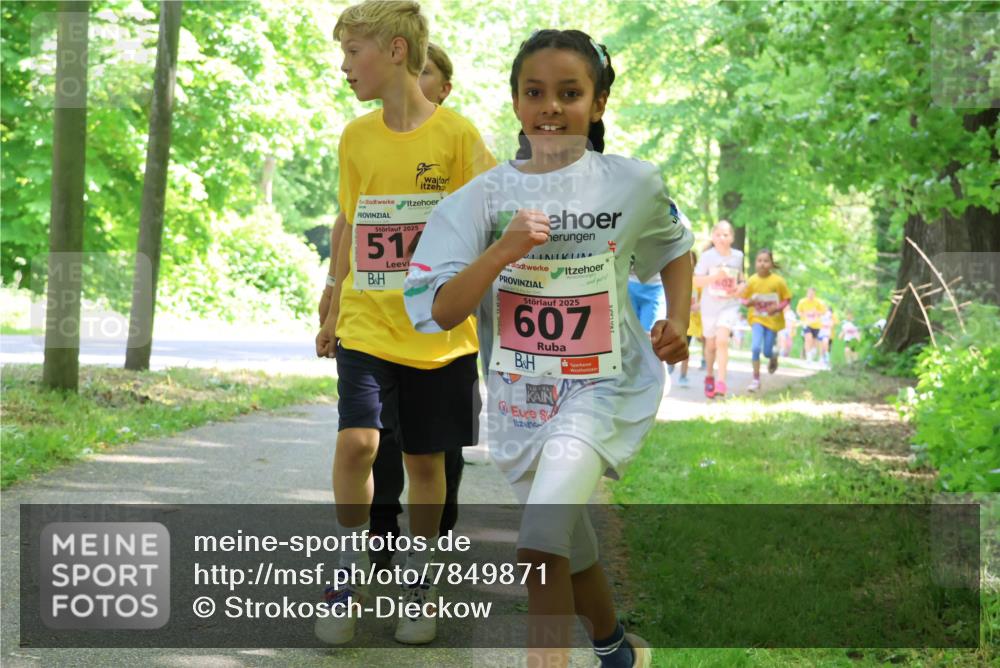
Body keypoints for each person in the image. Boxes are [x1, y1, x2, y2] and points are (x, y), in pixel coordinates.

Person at [405, 29, 692, 668]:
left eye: (570, 93)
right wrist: (504, 249)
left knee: (538, 544)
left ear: (599, 102)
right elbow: (440, 308)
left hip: (602, 388)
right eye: (535, 92)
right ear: (515, 102)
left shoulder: (634, 182)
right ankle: (615, 649)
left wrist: (681, 318)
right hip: (519, 400)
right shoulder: (482, 197)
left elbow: (674, 244)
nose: (551, 107)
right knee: (571, 544)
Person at [314, 0, 495, 646]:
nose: (344, 67)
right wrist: (333, 294)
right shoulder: (355, 137)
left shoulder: (460, 137)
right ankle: (346, 566)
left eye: (353, 53)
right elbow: (351, 222)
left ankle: (419, 578)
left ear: (395, 52)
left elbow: (490, 226)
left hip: (438, 336)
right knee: (358, 443)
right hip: (366, 324)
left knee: (424, 461)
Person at [693, 221, 745, 398]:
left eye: (726, 234)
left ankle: (721, 382)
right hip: (709, 306)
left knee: (722, 340)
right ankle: (709, 375)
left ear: (732, 237)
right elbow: (696, 281)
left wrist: (740, 287)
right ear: (713, 237)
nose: (722, 238)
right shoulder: (707, 256)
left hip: (729, 305)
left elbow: (741, 279)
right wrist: (715, 277)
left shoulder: (738, 256)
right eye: (718, 234)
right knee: (711, 345)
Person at [741, 248, 791, 392]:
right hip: (757, 319)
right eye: (759, 261)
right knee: (755, 348)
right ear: (756, 263)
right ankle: (756, 379)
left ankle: (773, 356)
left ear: (771, 263)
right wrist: (749, 303)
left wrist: (777, 308)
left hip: (772, 321)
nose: (762, 264)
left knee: (767, 352)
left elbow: (787, 299)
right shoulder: (752, 281)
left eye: (766, 261)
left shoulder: (778, 281)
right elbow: (743, 299)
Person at [677, 251, 701, 388]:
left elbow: (704, 298)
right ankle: (670, 363)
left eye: (690, 259)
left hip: (691, 322)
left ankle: (683, 375)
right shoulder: (675, 278)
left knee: (685, 348)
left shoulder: (699, 281)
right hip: (677, 319)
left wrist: (699, 305)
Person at [795, 287, 828, 364]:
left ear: (814, 294)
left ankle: (813, 352)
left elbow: (823, 312)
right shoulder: (802, 302)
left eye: (812, 294)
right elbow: (798, 311)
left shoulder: (818, 302)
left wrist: (817, 313)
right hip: (806, 323)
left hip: (816, 325)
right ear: (807, 293)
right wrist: (803, 314)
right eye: (809, 293)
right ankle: (808, 356)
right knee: (808, 338)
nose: (810, 295)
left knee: (814, 342)